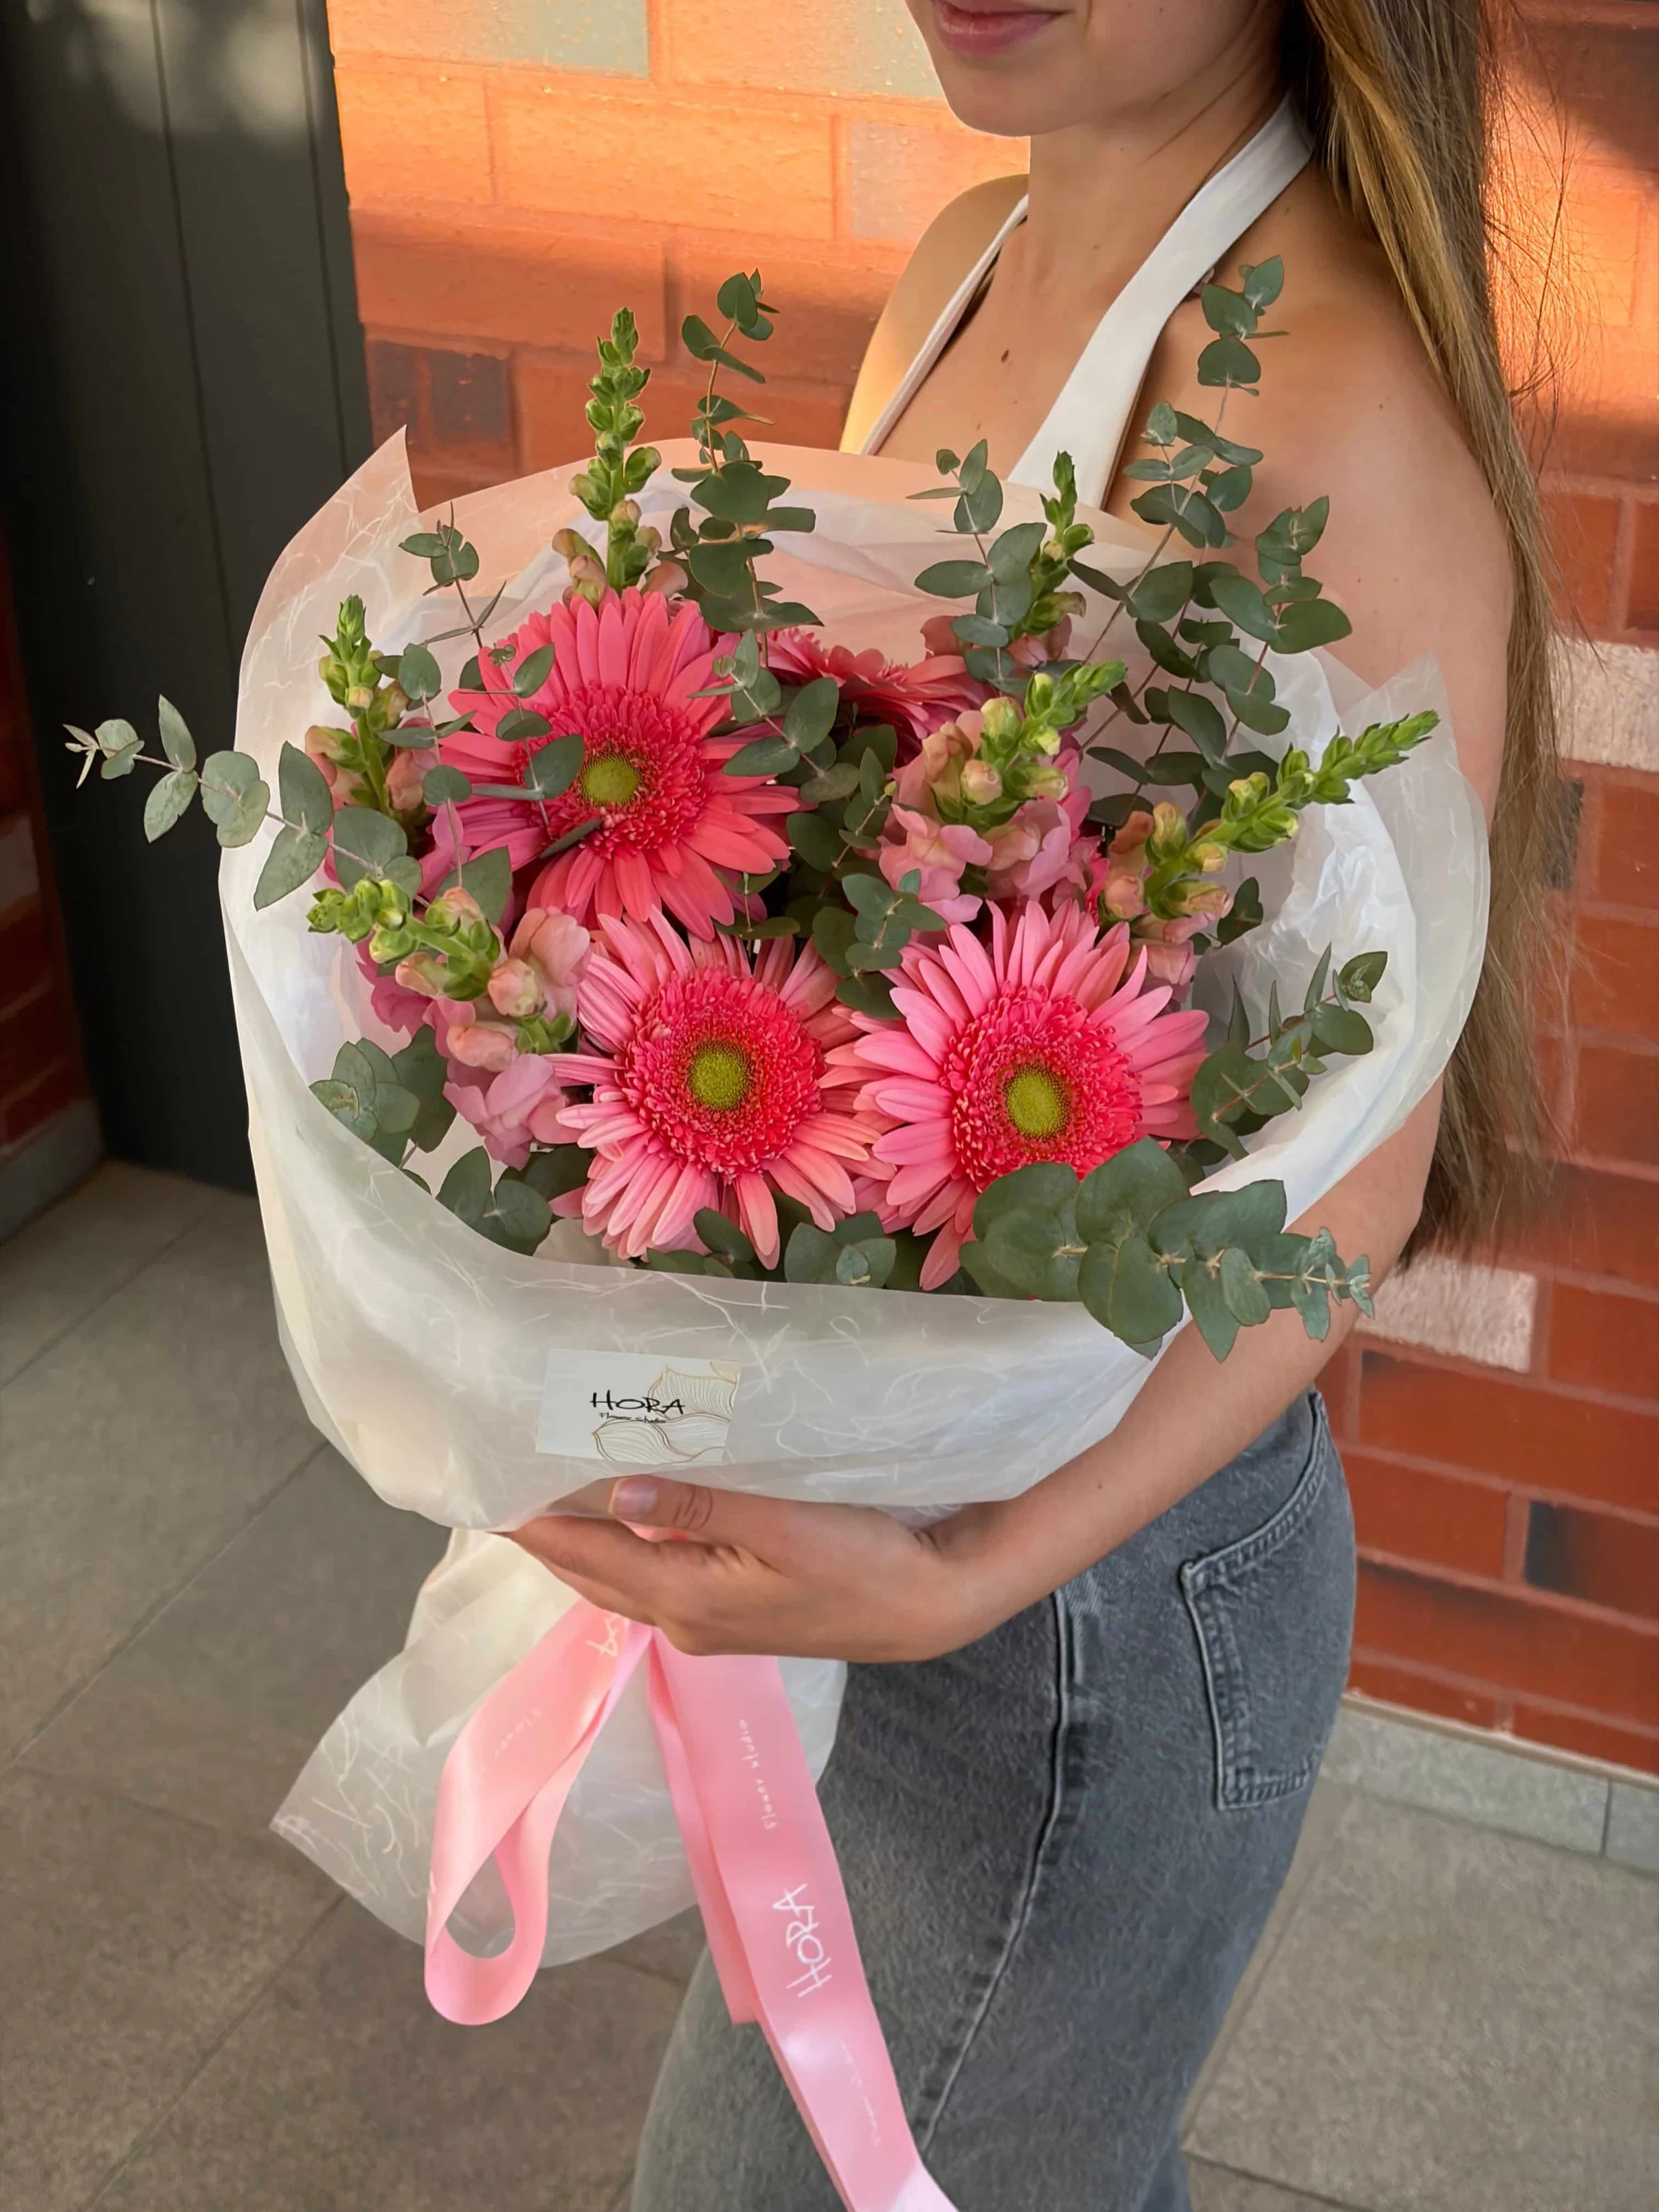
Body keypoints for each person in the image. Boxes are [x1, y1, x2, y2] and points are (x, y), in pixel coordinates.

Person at [510, 4, 1556, 2205]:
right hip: (899, 1512)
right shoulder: (968, 252)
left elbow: (1351, 1179)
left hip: (1085, 1594)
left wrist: (968, 1567)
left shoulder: (1332, 419)